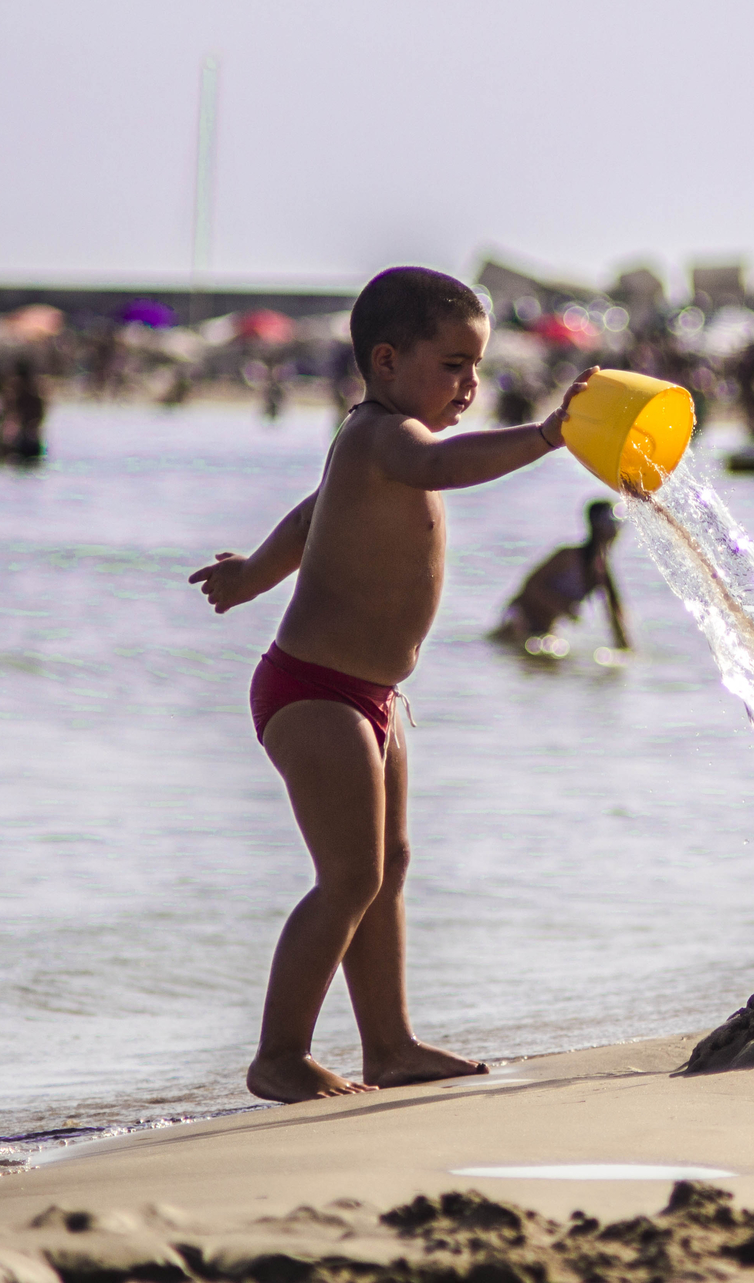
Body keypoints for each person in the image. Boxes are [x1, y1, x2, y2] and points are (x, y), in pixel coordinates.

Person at [188, 266, 594, 1103]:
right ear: (385, 361)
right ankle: (279, 1053)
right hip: (314, 691)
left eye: (476, 367)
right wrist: (548, 435)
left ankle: (390, 1043)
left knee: (388, 866)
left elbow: (313, 513)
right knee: (349, 877)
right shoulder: (385, 437)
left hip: (372, 698)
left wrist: (259, 570)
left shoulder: (369, 448)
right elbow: (443, 468)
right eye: (452, 365)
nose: (470, 385)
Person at [489, 500, 631, 654]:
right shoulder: (568, 556)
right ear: (597, 525)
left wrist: (626, 652)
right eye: (609, 522)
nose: (615, 528)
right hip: (519, 620)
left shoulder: (602, 571)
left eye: (617, 523)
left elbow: (615, 615)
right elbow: (530, 586)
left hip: (545, 630)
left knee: (554, 666)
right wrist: (562, 606)